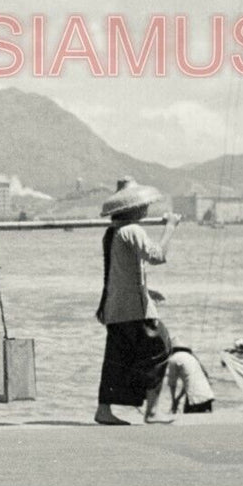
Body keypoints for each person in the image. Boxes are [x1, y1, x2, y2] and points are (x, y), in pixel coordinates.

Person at [94, 176, 181, 425]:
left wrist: (148, 290)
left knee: (116, 360)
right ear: (135, 208)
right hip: (135, 311)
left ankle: (104, 409)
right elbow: (157, 256)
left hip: (116, 309)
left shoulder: (112, 233)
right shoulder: (132, 230)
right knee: (161, 349)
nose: (146, 209)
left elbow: (120, 274)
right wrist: (170, 227)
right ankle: (151, 411)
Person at [154, 346, 215, 416]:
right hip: (207, 394)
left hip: (195, 398)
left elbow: (172, 384)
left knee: (190, 421)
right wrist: (178, 398)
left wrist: (174, 402)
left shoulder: (173, 359)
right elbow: (188, 383)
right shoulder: (190, 357)